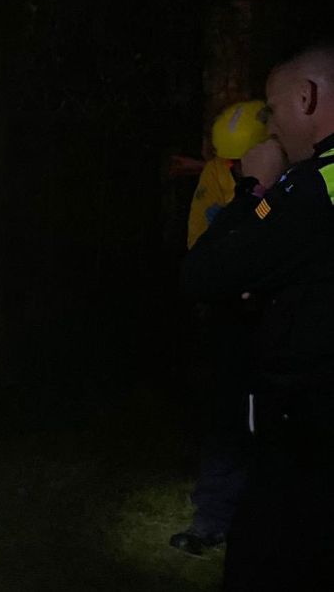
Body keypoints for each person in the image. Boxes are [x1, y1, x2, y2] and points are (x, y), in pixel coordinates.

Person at [182, 40, 334, 590]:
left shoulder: (309, 189)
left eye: (272, 108)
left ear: (307, 96)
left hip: (306, 437)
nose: (269, 126)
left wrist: (252, 190)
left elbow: (205, 273)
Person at [169, 101, 265, 556]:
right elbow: (203, 245)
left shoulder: (295, 185)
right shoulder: (220, 176)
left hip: (273, 324)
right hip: (229, 317)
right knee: (225, 418)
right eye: (226, 159)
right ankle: (213, 516)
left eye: (237, 158)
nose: (231, 166)